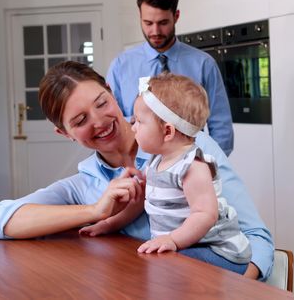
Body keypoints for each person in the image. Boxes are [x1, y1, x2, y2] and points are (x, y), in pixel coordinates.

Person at [0, 61, 273, 280]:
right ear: (65, 132)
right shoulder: (84, 185)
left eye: (101, 103)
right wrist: (96, 211)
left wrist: (231, 290)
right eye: (81, 120)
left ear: (111, 92)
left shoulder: (190, 148)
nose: (99, 122)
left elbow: (257, 238)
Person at [79, 73, 251, 274]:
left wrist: (172, 240)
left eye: (139, 122)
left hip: (219, 252)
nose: (132, 128)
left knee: (164, 267)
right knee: (159, 268)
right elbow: (138, 206)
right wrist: (108, 225)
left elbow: (205, 214)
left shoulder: (192, 166)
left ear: (167, 132)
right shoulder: (156, 161)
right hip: (189, 247)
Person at [107, 0, 234, 156]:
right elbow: (113, 123)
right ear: (140, 17)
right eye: (148, 23)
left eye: (163, 23)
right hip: (138, 169)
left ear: (176, 16)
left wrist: (209, 165)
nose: (155, 31)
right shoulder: (121, 66)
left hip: (191, 165)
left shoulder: (204, 64)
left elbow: (221, 125)